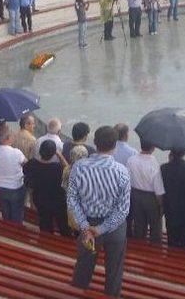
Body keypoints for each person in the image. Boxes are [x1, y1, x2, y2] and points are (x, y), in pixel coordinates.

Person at [68, 126, 130, 297]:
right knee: (114, 270)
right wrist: (101, 229)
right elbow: (123, 209)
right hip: (114, 228)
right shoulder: (122, 172)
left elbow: (72, 199)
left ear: (94, 143)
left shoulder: (78, 167)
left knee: (84, 265)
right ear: (115, 145)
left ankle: (76, 292)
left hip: (87, 224)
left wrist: (85, 226)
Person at [24, 139, 71, 236]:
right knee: (63, 225)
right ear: (54, 153)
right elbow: (68, 171)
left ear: (40, 150)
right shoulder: (58, 168)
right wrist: (60, 155)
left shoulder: (32, 164)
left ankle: (45, 240)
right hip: (58, 202)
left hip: (40, 200)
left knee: (45, 224)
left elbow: (28, 181)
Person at [127, 139, 164, 244]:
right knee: (155, 226)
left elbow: (127, 179)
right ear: (153, 148)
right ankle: (155, 249)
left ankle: (138, 248)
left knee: (139, 224)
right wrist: (161, 204)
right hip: (150, 197)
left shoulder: (131, 160)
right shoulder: (154, 162)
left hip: (134, 194)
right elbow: (158, 187)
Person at [0, 125, 27, 223]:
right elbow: (26, 164)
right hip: (16, 187)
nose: (14, 137)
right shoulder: (17, 153)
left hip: (1, 186)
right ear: (8, 138)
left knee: (5, 212)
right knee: (17, 214)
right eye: (12, 135)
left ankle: (7, 230)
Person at [161, 149, 185, 249]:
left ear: (171, 153)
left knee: (171, 242)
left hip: (170, 211)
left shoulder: (163, 168)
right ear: (184, 153)